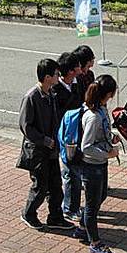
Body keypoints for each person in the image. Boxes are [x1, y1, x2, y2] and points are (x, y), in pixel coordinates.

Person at [18, 58, 75, 231]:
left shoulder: (51, 93)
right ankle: (29, 213)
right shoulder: (31, 97)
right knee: (40, 186)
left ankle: (55, 217)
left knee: (56, 185)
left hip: (51, 150)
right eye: (56, 74)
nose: (59, 76)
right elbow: (26, 126)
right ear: (48, 76)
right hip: (37, 151)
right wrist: (44, 140)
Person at [71, 75, 120, 253]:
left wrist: (111, 137)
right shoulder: (92, 116)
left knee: (102, 195)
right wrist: (107, 153)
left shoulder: (100, 109)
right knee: (92, 205)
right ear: (107, 93)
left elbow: (100, 134)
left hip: (99, 164)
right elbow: (86, 147)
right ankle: (95, 242)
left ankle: (83, 228)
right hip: (92, 166)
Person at [53, 52, 84, 222]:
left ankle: (72, 205)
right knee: (70, 174)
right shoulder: (56, 90)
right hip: (64, 138)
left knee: (74, 173)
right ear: (71, 70)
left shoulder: (75, 83)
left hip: (77, 136)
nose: (81, 69)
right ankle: (69, 208)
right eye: (78, 66)